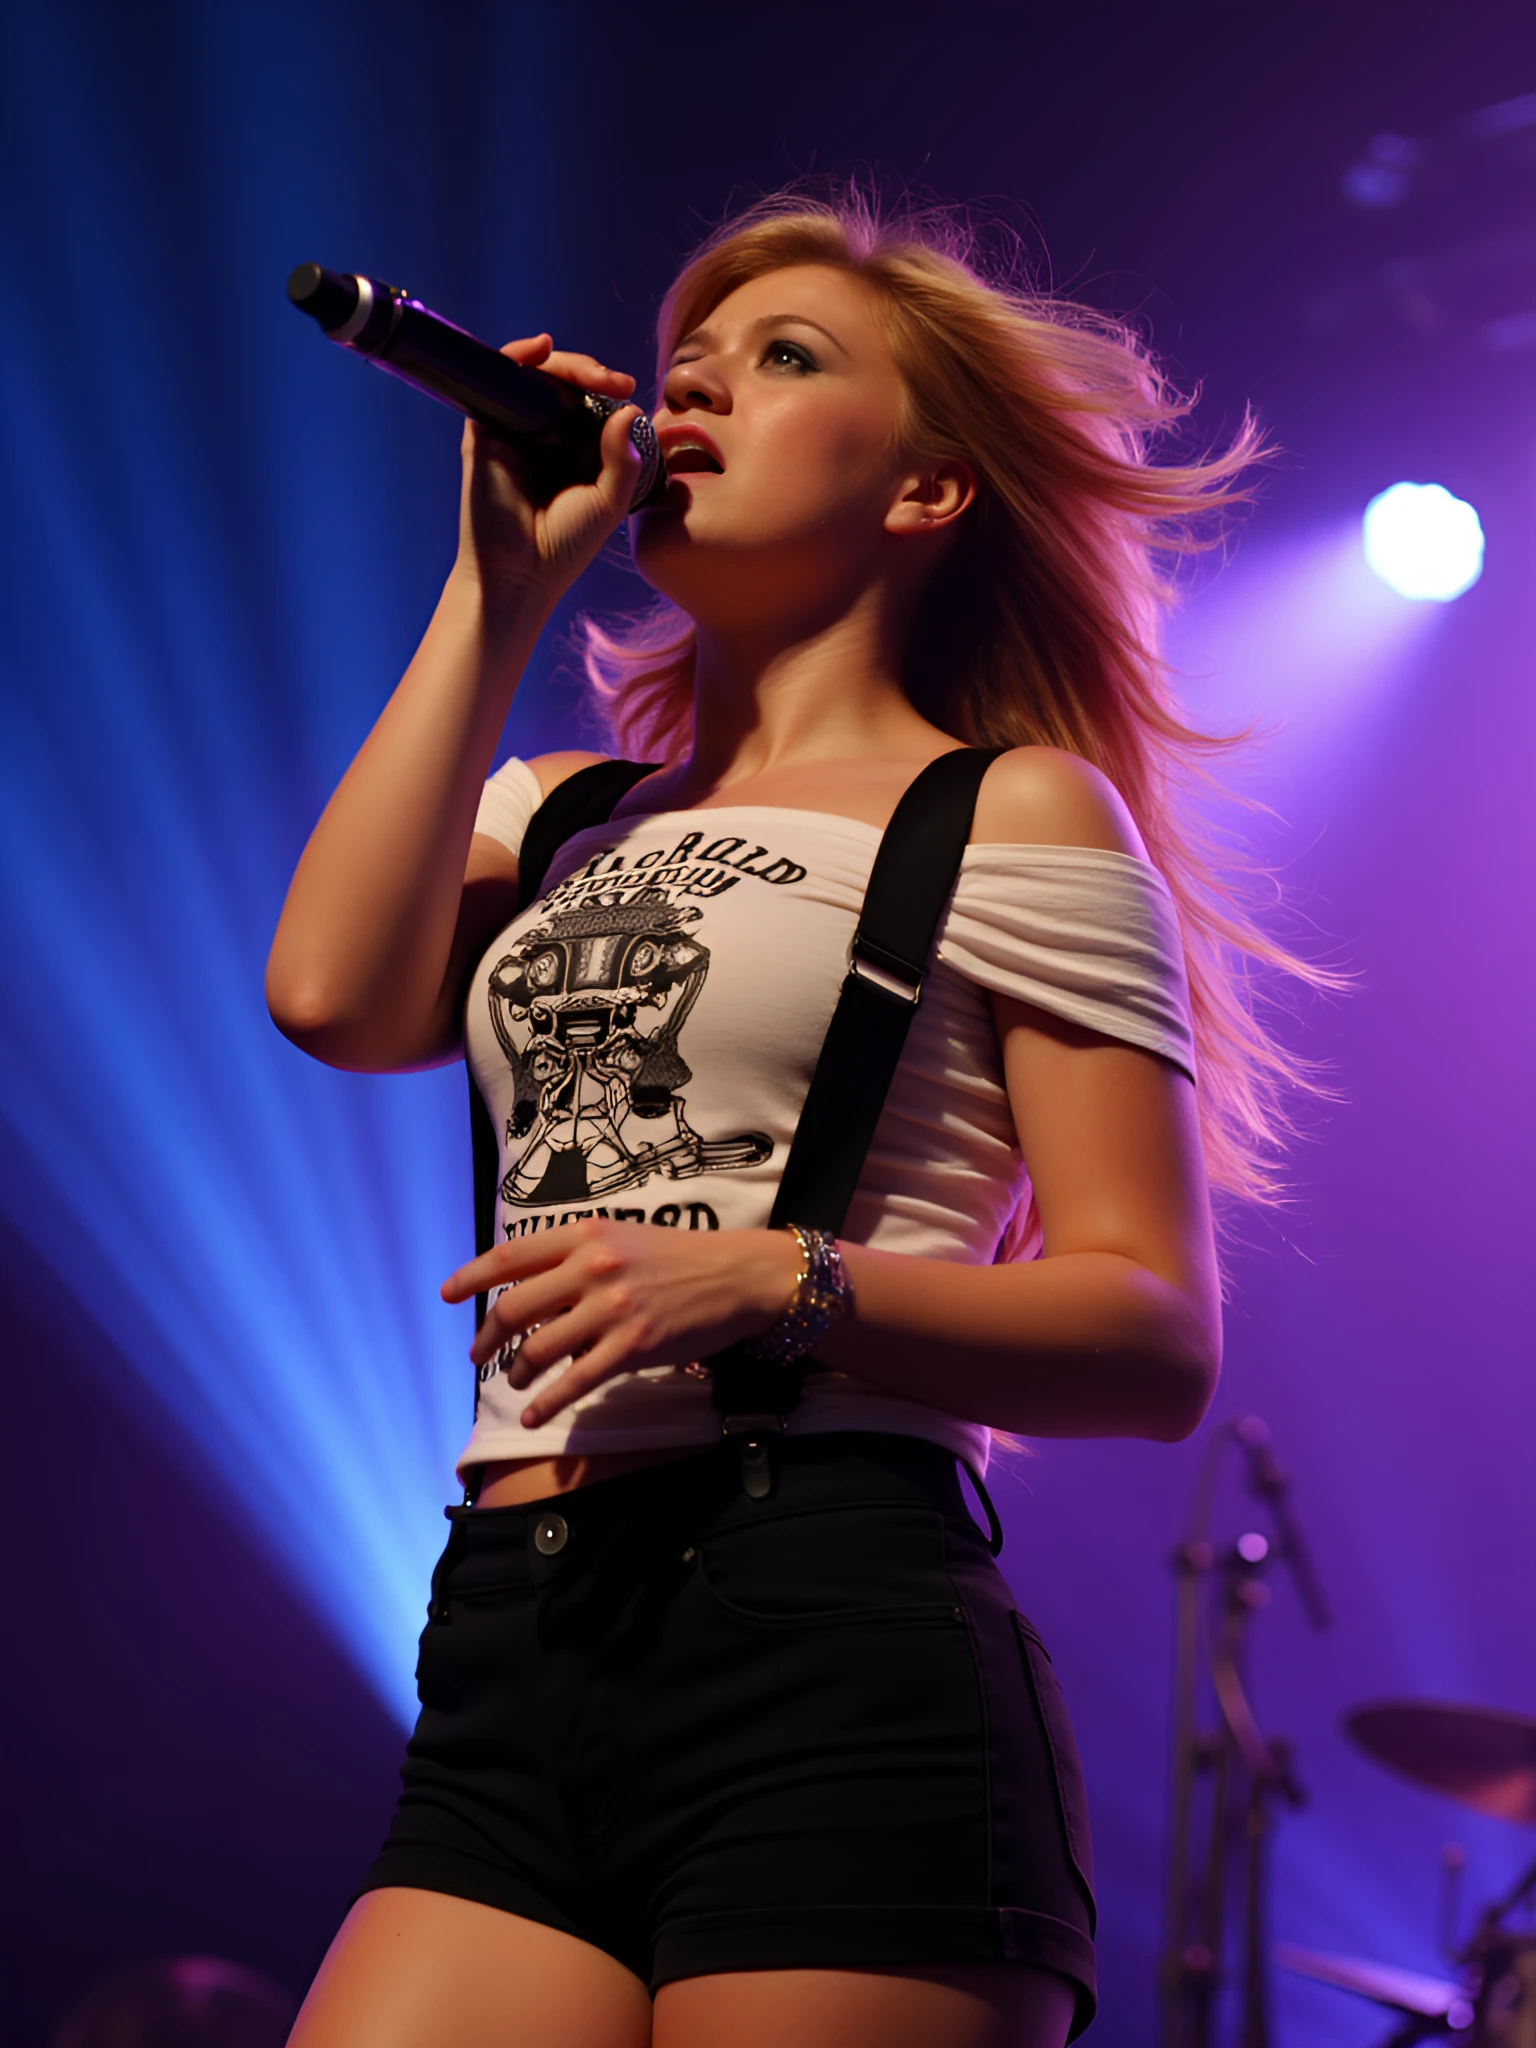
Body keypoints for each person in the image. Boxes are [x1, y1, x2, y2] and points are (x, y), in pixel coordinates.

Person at [268, 189, 1304, 2048]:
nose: (693, 398)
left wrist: (776, 1282)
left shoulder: (1015, 812)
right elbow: (333, 997)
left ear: (924, 492)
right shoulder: (563, 807)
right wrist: (497, 589)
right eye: (690, 368)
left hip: (834, 1640)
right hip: (520, 1630)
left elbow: (1153, 1331)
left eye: (784, 360)